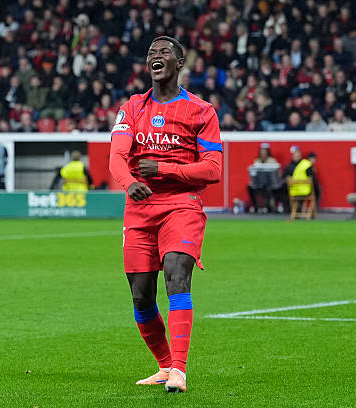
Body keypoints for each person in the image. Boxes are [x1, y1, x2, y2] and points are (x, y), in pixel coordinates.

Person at [109, 36, 222, 393]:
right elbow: (116, 156)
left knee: (176, 275)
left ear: (179, 62)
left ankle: (180, 372)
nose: (155, 57)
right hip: (139, 208)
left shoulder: (201, 111)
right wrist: (129, 182)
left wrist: (165, 170)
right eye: (151, 53)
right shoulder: (131, 108)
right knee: (141, 296)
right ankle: (164, 365)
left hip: (181, 204)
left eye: (164, 52)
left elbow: (213, 168)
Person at [246, 143, 283, 213]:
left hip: (270, 183)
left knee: (271, 188)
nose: (263, 153)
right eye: (262, 152)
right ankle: (256, 206)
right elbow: (253, 173)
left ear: (267, 152)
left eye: (265, 152)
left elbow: (277, 174)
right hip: (259, 183)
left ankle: (270, 207)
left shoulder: (272, 161)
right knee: (250, 187)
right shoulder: (257, 161)